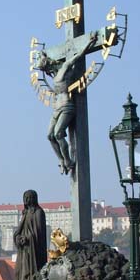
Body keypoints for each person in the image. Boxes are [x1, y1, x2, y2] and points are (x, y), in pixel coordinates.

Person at [37, 31, 98, 174]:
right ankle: (61, 160)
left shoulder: (64, 68)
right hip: (56, 107)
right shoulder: (54, 73)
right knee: (49, 136)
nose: (46, 71)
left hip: (67, 105)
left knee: (58, 134)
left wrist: (89, 43)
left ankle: (68, 160)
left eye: (45, 67)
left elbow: (78, 56)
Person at [13, 190, 48, 280]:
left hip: (34, 253)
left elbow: (38, 234)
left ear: (34, 198)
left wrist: (27, 238)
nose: (27, 200)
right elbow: (18, 231)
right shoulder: (25, 213)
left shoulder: (38, 212)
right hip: (24, 252)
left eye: (29, 198)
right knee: (19, 274)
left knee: (31, 277)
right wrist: (18, 238)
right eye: (25, 198)